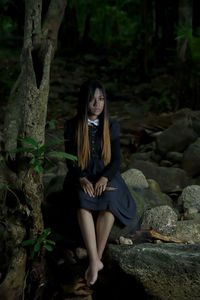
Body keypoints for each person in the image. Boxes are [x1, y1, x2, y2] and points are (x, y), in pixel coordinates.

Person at [63, 79, 136, 286]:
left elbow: (116, 160)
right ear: (84, 101)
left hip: (106, 175)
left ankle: (95, 260)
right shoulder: (71, 125)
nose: (97, 103)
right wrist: (82, 178)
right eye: (92, 99)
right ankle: (95, 261)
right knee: (82, 201)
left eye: (101, 98)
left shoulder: (111, 125)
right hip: (82, 175)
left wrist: (104, 178)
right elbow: (71, 160)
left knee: (110, 199)